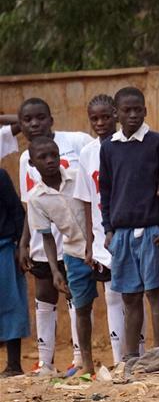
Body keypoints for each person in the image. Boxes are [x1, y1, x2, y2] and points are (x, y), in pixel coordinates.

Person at [99, 87, 159, 360]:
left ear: (146, 110)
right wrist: (108, 228)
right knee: (130, 297)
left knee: (155, 292)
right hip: (121, 234)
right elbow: (105, 190)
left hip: (153, 231)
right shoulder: (108, 147)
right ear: (116, 114)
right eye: (126, 110)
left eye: (138, 109)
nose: (132, 115)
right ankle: (131, 357)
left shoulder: (156, 142)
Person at [17, 97, 92, 376]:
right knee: (45, 295)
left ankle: (78, 358)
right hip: (44, 239)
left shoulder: (78, 142)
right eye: (27, 119)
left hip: (76, 242)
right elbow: (30, 202)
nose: (34, 123)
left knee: (77, 296)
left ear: (51, 120)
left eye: (40, 117)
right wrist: (24, 242)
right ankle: (45, 361)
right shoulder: (27, 158)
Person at [26, 137, 99, 377]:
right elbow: (47, 236)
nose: (50, 161)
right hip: (73, 253)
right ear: (32, 163)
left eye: (53, 155)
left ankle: (126, 357)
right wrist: (56, 271)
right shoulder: (36, 197)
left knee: (122, 297)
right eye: (43, 158)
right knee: (81, 307)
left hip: (100, 249)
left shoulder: (79, 176)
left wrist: (96, 241)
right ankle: (86, 363)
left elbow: (95, 206)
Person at [73, 94, 135, 364]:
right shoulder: (87, 153)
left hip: (128, 229)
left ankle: (138, 354)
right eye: (94, 119)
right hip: (101, 237)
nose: (100, 123)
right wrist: (89, 241)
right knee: (111, 295)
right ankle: (118, 358)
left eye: (105, 117)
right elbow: (86, 201)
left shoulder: (128, 145)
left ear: (116, 115)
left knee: (132, 295)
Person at [0, 169, 28, 377]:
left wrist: (21, 246)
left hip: (4, 248)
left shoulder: (0, 175)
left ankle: (13, 365)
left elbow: (17, 211)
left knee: (11, 304)